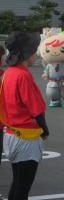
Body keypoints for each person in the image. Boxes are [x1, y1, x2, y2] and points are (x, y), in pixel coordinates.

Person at [0, 32, 49, 200]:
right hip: (26, 138)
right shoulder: (23, 75)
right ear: (26, 53)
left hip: (11, 134)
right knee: (23, 187)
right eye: (34, 50)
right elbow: (36, 109)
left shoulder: (9, 72)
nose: (35, 53)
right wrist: (45, 130)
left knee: (17, 183)